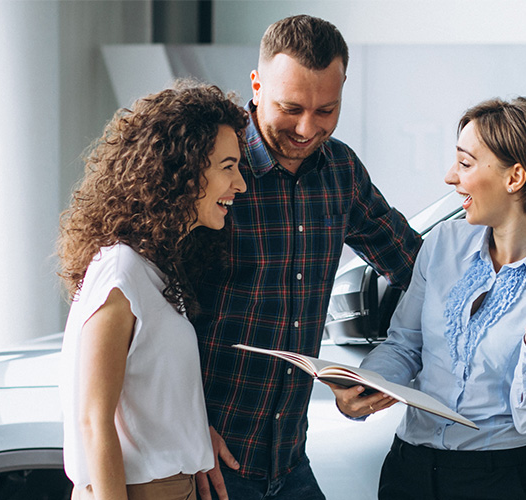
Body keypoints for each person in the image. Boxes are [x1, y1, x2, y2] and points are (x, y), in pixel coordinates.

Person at [189, 15, 422, 500]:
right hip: (208, 462)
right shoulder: (208, 167)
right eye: (290, 107)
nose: (305, 128)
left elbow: (417, 268)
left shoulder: (341, 171)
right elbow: (147, 318)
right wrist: (182, 425)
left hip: (289, 459)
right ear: (255, 85)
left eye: (326, 110)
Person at [329, 97, 526, 500]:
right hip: (408, 471)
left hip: (497, 481)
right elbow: (405, 344)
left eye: (465, 163)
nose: (449, 177)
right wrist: (367, 387)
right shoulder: (442, 243)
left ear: (515, 178)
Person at [58, 81, 248, 500]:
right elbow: (94, 420)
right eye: (227, 166)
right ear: (184, 168)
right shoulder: (121, 269)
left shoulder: (155, 269)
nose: (241, 184)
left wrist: (194, 433)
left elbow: (147, 394)